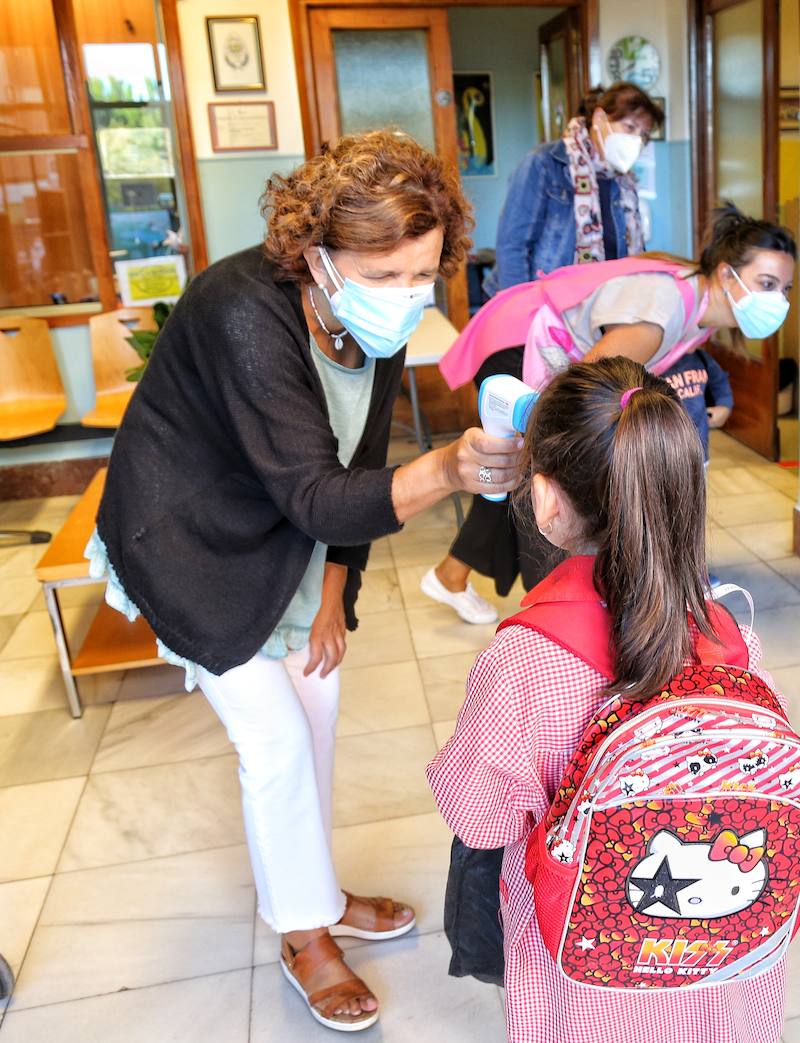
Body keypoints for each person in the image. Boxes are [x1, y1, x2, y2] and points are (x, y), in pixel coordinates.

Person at [87, 132, 522, 1032]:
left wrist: (336, 590)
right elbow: (321, 493)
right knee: (276, 741)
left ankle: (313, 893)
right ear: (316, 254)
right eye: (385, 274)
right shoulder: (242, 310)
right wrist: (446, 469)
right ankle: (303, 935)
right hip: (187, 536)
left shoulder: (375, 317)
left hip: (283, 531)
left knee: (317, 706)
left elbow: (358, 455)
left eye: (424, 273)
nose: (407, 297)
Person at [428, 357, 789, 1043]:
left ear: (546, 501)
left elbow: (479, 819)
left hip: (590, 984)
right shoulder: (734, 637)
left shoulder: (524, 659)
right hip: (723, 967)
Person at [420, 204, 795, 622]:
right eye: (767, 283)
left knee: (513, 472)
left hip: (546, 349)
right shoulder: (664, 311)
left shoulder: (699, 311)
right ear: (727, 274)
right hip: (519, 349)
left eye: (784, 288)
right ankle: (555, 613)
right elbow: (587, 400)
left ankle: (451, 575)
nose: (777, 299)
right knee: (543, 475)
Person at [487, 82, 664, 294]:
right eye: (629, 128)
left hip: (600, 306)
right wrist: (521, 309)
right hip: (547, 304)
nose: (636, 140)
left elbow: (628, 253)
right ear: (599, 119)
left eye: (643, 135)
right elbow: (512, 247)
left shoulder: (623, 182)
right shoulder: (545, 163)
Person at [662, 345, 733, 462]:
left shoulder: (701, 357)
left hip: (700, 452)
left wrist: (724, 406)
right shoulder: (655, 362)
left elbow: (720, 382)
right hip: (666, 455)